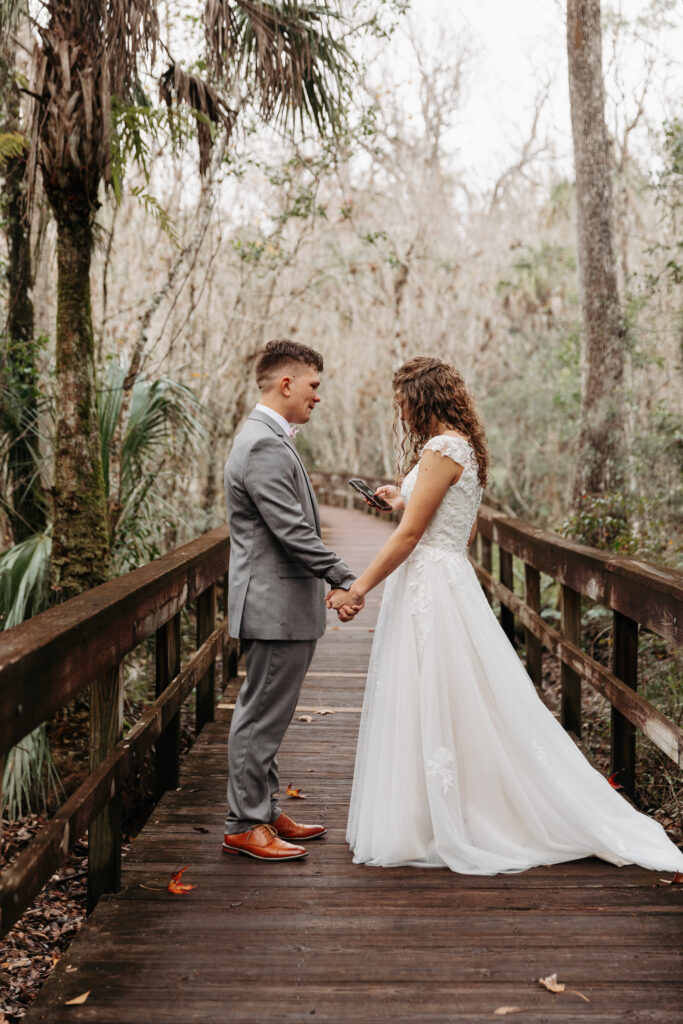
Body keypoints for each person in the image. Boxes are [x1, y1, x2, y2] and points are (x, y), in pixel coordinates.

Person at [327, 355, 683, 875]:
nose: (400, 412)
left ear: (421, 400)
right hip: (444, 578)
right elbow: (455, 526)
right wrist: (401, 496)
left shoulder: (441, 448)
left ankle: (451, 818)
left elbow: (409, 538)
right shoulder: (460, 448)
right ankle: (438, 810)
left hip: (431, 582)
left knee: (436, 691)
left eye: (403, 402)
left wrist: (357, 588)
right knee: (451, 694)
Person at [223, 338, 362, 862]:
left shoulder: (270, 438)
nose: (317, 397)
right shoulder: (261, 443)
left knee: (270, 714)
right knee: (259, 716)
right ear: (286, 383)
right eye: (313, 386)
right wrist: (343, 577)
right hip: (272, 606)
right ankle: (243, 823)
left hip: (281, 606)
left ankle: (262, 806)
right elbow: (291, 530)